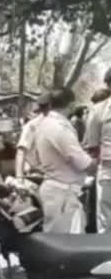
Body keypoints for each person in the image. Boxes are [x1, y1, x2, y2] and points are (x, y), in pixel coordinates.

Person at [33, 88, 96, 233]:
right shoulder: (59, 127)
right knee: (65, 242)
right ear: (71, 105)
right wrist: (95, 162)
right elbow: (81, 161)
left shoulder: (45, 124)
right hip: (62, 194)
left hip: (57, 189)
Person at [84, 67, 111, 232]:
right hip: (108, 172)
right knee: (106, 220)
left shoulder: (99, 110)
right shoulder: (99, 110)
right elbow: (93, 146)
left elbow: (92, 147)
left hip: (107, 173)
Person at [15, 93, 51, 178]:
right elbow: (21, 151)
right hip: (36, 172)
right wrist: (19, 177)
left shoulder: (57, 124)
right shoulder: (32, 126)